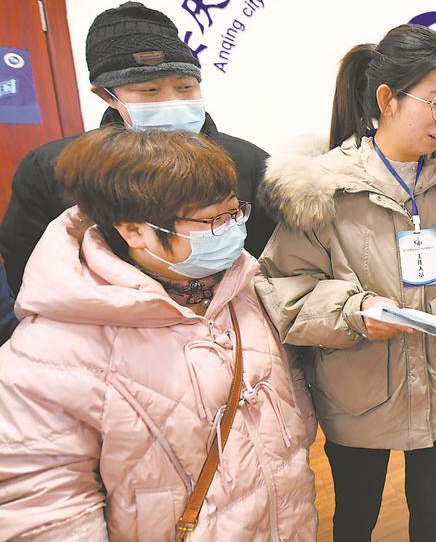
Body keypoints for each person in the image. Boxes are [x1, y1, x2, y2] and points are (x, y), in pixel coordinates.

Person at [0, 127, 317, 541]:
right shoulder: (48, 355)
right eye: (211, 221)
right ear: (133, 229)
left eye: (235, 212)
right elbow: (45, 513)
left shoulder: (241, 289)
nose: (232, 230)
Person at [255, 24, 436, 542]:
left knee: (431, 508)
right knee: (357, 515)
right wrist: (354, 311)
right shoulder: (323, 188)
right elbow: (283, 288)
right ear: (387, 99)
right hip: (358, 392)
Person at [0, 1, 275, 303]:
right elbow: (33, 281)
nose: (173, 101)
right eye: (149, 91)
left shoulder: (248, 161)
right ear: (106, 95)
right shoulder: (55, 171)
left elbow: (274, 268)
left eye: (186, 87)